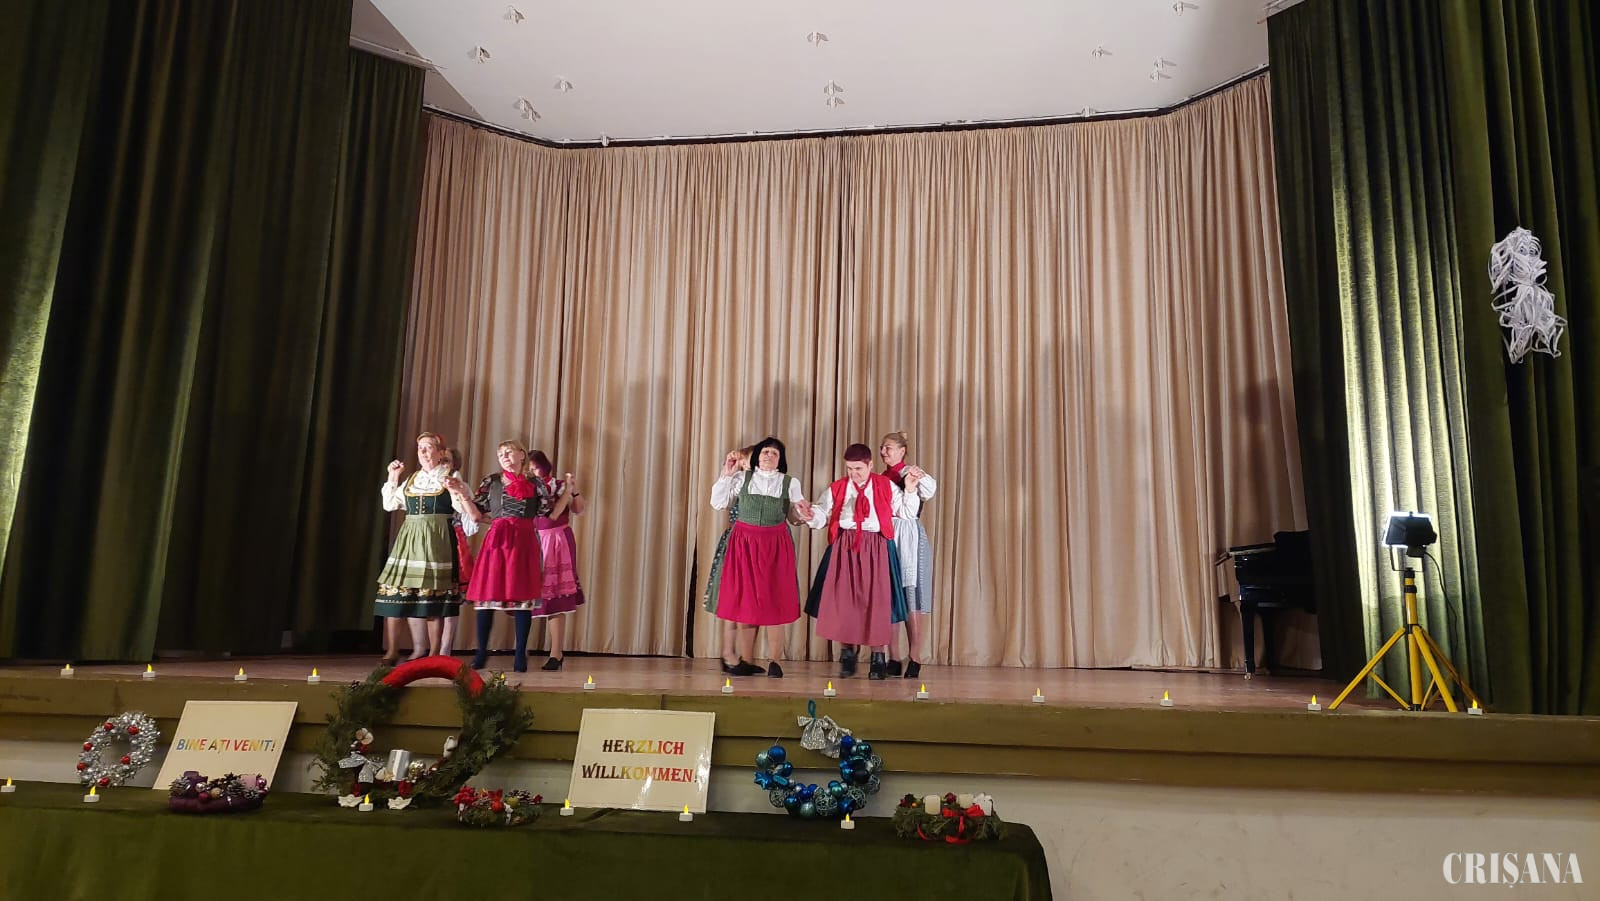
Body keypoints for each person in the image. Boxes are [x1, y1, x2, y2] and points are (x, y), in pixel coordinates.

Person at [801, 442, 918, 679]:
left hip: (877, 546)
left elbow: (906, 512)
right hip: (846, 546)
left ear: (870, 464)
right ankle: (847, 655)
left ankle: (878, 658)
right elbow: (822, 514)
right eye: (850, 469)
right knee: (845, 600)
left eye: (858, 469)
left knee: (877, 601)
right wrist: (810, 514)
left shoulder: (885, 485)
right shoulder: (838, 488)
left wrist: (911, 490)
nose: (853, 474)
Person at [708, 436, 809, 677]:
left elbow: (795, 515)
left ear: (780, 460)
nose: (769, 456)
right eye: (765, 452)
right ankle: (746, 659)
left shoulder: (789, 482)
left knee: (775, 599)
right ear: (757, 456)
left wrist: (803, 514)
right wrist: (726, 475)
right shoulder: (742, 479)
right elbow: (718, 503)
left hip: (775, 544)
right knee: (746, 600)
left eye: (774, 453)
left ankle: (775, 661)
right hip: (744, 543)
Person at [376, 432, 470, 664]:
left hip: (436, 538)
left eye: (428, 447)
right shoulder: (412, 479)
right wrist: (393, 476)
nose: (424, 452)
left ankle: (434, 653)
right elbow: (390, 504)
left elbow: (462, 508)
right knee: (396, 593)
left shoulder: (450, 476)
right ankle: (392, 651)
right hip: (410, 539)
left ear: (440, 452)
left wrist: (457, 490)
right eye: (420, 448)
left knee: (432, 598)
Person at [460, 440, 546, 672]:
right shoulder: (492, 481)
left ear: (522, 455)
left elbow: (546, 510)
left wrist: (568, 492)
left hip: (524, 541)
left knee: (523, 596)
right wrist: (461, 495)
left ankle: (520, 654)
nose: (505, 457)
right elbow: (476, 513)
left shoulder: (535, 483)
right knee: (487, 595)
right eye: (500, 454)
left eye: (509, 452)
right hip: (498, 542)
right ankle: (481, 652)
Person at [879, 431, 936, 679]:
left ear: (902, 451)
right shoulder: (881, 479)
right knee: (890, 598)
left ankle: (914, 656)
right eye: (882, 448)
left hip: (909, 536)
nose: (884, 451)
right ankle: (893, 656)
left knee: (911, 596)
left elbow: (929, 490)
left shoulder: (910, 473)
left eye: (888, 447)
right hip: (888, 535)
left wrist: (915, 476)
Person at [525, 451, 585, 670]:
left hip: (558, 540)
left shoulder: (558, 486)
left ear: (544, 466)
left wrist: (572, 490)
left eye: (535, 468)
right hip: (534, 539)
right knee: (528, 596)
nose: (532, 472)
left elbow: (578, 509)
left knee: (556, 596)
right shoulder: (526, 487)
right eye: (529, 469)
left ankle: (556, 652)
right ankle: (521, 650)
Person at [703, 446, 754, 666]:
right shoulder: (737, 481)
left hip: (758, 545)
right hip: (737, 544)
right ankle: (728, 652)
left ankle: (747, 656)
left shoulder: (768, 482)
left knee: (751, 602)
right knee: (732, 599)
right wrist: (727, 474)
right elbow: (718, 502)